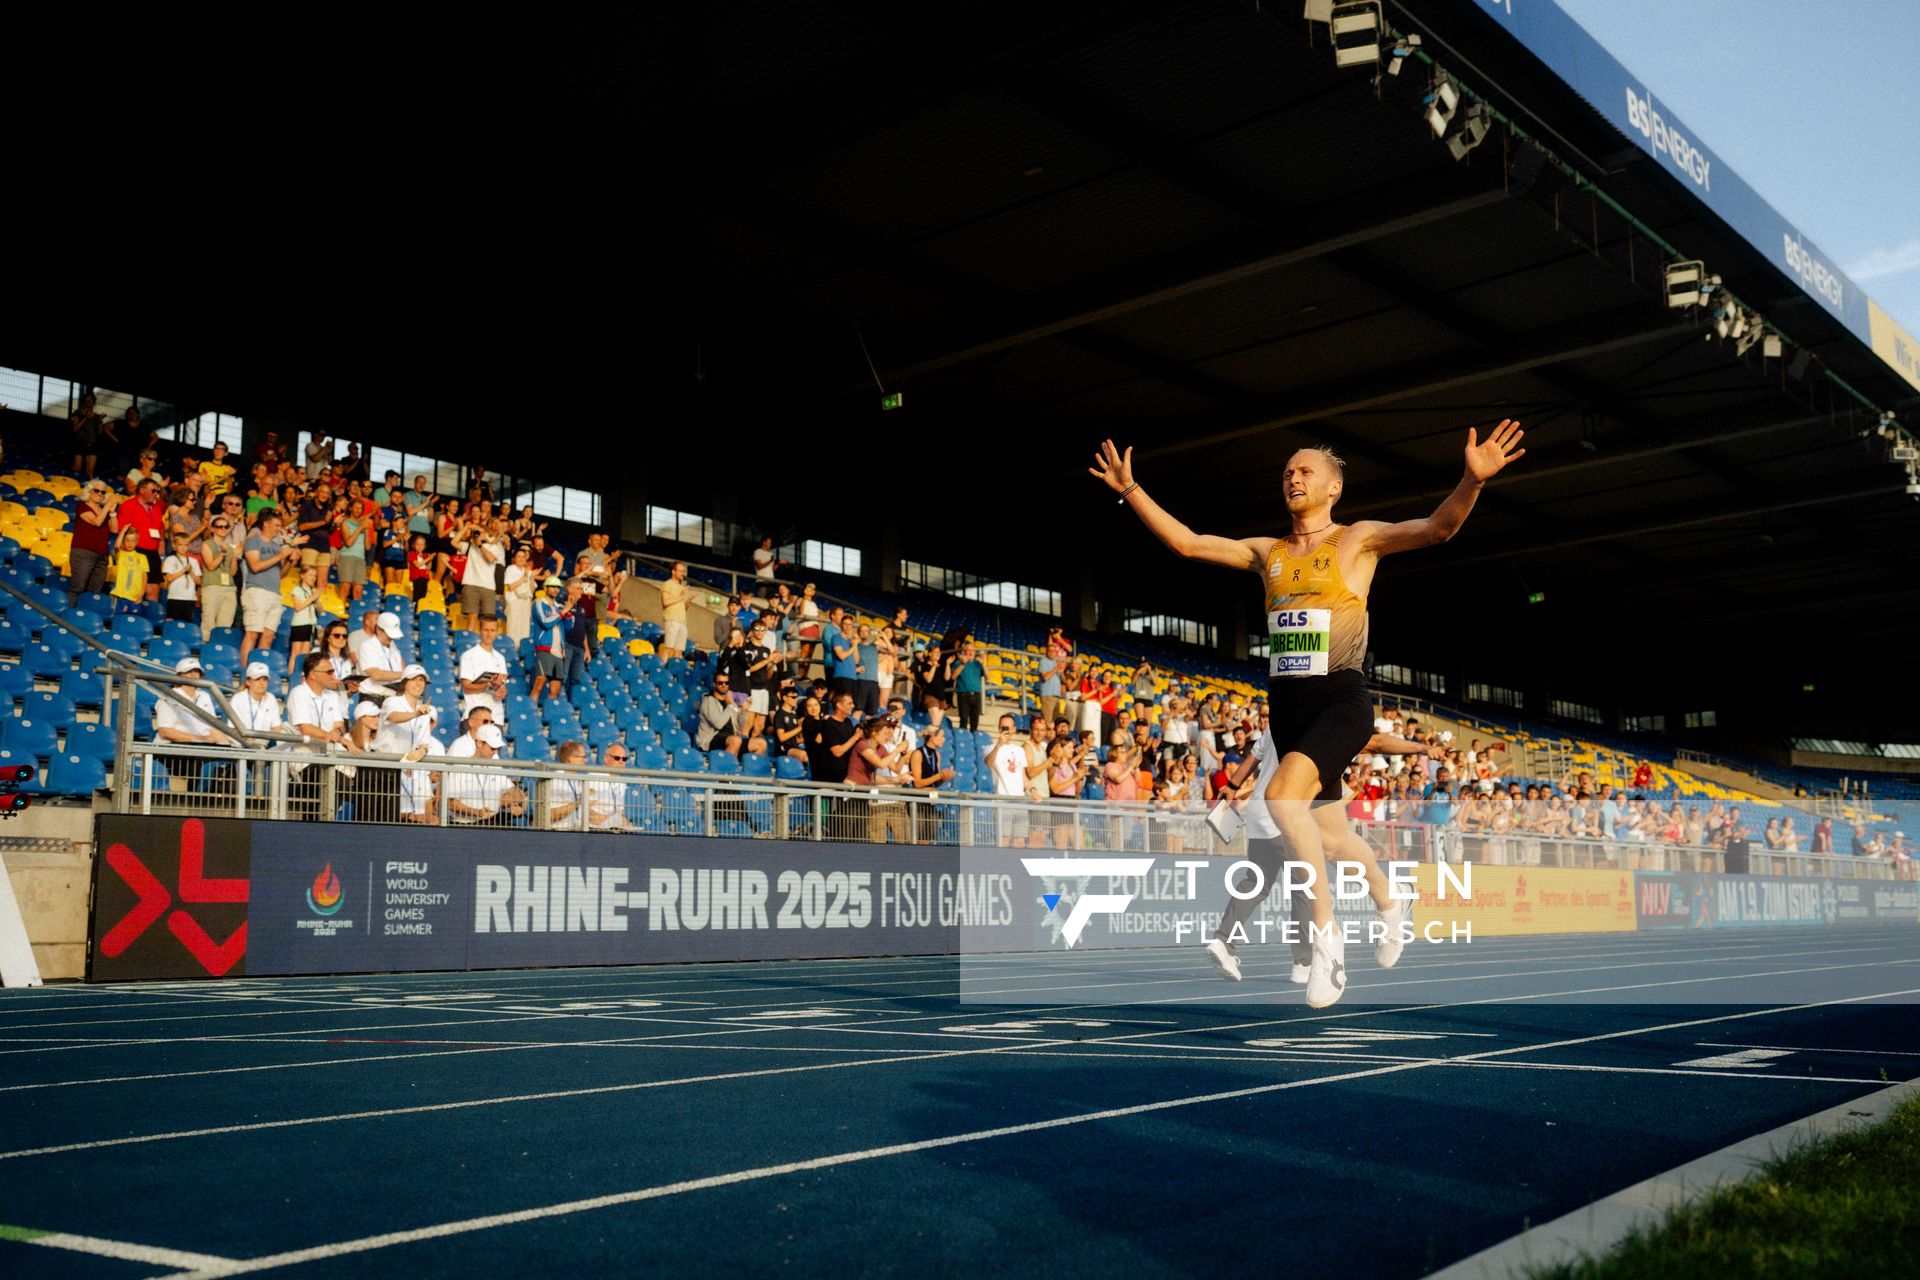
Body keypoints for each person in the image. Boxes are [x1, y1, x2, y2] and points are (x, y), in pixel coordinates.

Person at [1093, 420, 1527, 1007]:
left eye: (1305, 471)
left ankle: (1328, 943)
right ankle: (1390, 900)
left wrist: (1472, 482)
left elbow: (1436, 528)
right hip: (1287, 708)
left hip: (1342, 698)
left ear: (1333, 490)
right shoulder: (1266, 553)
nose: (1293, 477)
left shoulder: (1357, 540)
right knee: (1330, 835)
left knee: (1281, 799)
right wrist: (1131, 489)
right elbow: (1188, 543)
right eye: (1287, 471)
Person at [239, 512, 304, 666]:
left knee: (268, 636)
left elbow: (281, 574)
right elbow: (255, 566)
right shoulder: (253, 541)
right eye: (276, 525)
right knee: (252, 634)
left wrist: (290, 562)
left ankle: (259, 669)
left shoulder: (277, 547)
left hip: (275, 594)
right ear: (265, 524)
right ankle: (244, 672)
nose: (278, 528)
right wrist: (280, 556)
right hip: (257, 591)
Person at [907, 722, 954, 844]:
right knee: (918, 839)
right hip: (919, 801)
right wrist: (939, 775)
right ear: (932, 737)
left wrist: (944, 778)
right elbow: (917, 783)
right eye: (941, 736)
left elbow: (934, 783)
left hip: (930, 801)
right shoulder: (917, 753)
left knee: (927, 839)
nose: (943, 739)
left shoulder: (936, 754)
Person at [457, 614, 509, 723]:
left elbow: (502, 686)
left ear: (497, 632)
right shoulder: (468, 655)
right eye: (486, 630)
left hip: (496, 717)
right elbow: (466, 687)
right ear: (479, 631)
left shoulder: (501, 658)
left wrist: (502, 692)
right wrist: (488, 685)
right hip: (475, 717)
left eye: (492, 630)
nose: (489, 634)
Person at [285, 564, 320, 679]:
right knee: (296, 652)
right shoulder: (297, 589)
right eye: (310, 575)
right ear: (302, 575)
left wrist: (317, 599)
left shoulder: (313, 590)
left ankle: (300, 676)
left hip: (311, 624)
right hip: (300, 623)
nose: (313, 578)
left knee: (305, 654)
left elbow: (321, 609)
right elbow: (298, 607)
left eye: (314, 576)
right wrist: (312, 598)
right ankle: (291, 676)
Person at [108, 526, 149, 616]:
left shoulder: (142, 557)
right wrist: (123, 531)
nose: (130, 544)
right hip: (121, 596)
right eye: (127, 540)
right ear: (123, 541)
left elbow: (144, 578)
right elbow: (117, 546)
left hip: (135, 597)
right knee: (119, 620)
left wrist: (141, 595)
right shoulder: (121, 554)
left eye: (132, 541)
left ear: (137, 542)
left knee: (132, 622)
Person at [658, 561, 691, 661]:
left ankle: (675, 670)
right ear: (673, 571)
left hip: (682, 621)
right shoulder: (667, 584)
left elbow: (684, 608)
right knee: (668, 648)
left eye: (684, 571)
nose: (683, 573)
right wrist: (681, 596)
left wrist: (689, 600)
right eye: (681, 571)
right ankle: (662, 668)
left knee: (679, 650)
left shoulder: (682, 588)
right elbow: (666, 602)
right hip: (672, 620)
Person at [950, 641, 986, 733]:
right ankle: (963, 738)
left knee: (975, 722)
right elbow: (953, 676)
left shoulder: (978, 663)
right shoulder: (958, 662)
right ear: (964, 652)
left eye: (972, 650)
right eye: (967, 650)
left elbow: (988, 677)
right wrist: (963, 664)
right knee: (963, 720)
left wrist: (983, 663)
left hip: (976, 695)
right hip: (963, 695)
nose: (970, 652)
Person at [502, 546, 534, 641]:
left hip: (525, 603)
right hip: (514, 602)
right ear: (514, 558)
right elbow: (511, 587)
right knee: (513, 630)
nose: (521, 559)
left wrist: (531, 577)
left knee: (524, 630)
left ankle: (522, 652)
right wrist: (524, 578)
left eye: (523, 557)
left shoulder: (529, 572)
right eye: (518, 556)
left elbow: (531, 591)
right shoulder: (510, 569)